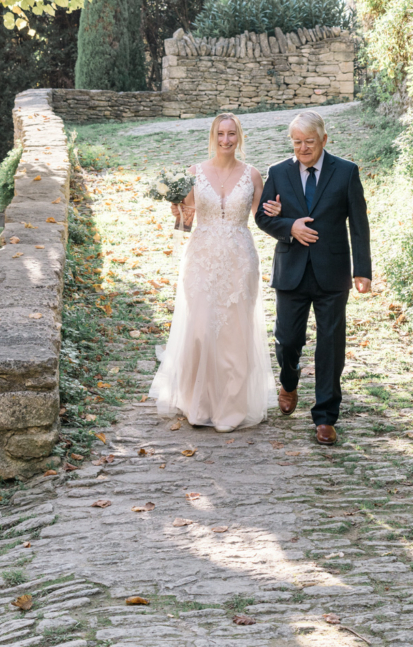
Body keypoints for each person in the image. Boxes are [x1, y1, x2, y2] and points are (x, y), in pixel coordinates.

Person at [149, 112, 276, 430]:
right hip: (202, 259)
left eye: (232, 134)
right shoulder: (194, 173)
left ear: (239, 137)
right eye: (221, 134)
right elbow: (185, 224)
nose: (226, 140)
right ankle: (200, 404)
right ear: (213, 136)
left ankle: (230, 409)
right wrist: (176, 209)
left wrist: (277, 211)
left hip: (239, 260)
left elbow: (263, 219)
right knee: (202, 329)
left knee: (234, 333)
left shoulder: (253, 175)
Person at [255, 110, 372, 446]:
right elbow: (263, 217)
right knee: (287, 339)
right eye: (296, 142)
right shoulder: (278, 172)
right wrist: (288, 227)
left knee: (331, 346)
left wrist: (362, 270)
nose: (302, 148)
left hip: (332, 273)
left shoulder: (346, 172)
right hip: (291, 269)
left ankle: (325, 416)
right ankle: (289, 381)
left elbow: (358, 224)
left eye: (308, 141)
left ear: (324, 139)